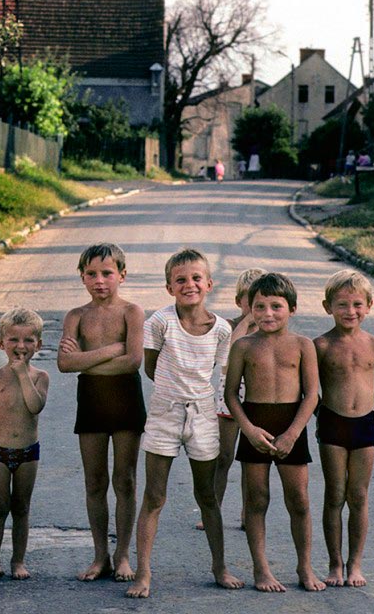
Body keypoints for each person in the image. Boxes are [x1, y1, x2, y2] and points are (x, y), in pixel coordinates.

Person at [126, 248, 244, 598]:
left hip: (203, 414)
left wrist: (193, 399)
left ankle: (219, 566)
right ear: (169, 287)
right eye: (180, 280)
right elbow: (150, 367)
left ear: (209, 283)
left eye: (196, 278)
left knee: (207, 495)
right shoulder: (160, 322)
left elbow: (215, 373)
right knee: (154, 495)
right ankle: (143, 573)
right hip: (165, 412)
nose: (189, 285)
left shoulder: (222, 329)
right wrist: (172, 393)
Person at [225, 272, 325, 593]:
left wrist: (293, 433)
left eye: (276, 307)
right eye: (260, 307)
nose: (268, 314)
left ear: (292, 309)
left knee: (299, 500)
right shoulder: (242, 346)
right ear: (250, 309)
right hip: (255, 424)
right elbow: (230, 394)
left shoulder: (303, 345)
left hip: (290, 425)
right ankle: (261, 569)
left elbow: (311, 395)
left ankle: (304, 567)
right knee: (256, 500)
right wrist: (249, 430)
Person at [58, 243, 146, 582]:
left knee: (124, 479)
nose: (100, 281)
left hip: (125, 398)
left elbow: (133, 362)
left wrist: (87, 360)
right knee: (94, 480)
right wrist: (112, 350)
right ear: (82, 277)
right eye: (92, 274)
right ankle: (100, 556)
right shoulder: (76, 316)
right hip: (91, 399)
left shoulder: (131, 312)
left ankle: (123, 555)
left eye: (107, 273)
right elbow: (65, 363)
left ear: (121, 275)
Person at [314, 270, 374, 588]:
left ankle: (356, 564)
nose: (350, 311)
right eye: (342, 304)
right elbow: (308, 387)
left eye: (357, 304)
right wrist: (323, 413)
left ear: (369, 306)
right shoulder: (321, 346)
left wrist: (364, 408)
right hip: (332, 422)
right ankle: (335, 564)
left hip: (364, 424)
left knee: (358, 495)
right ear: (327, 306)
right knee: (335, 494)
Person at [0, 308, 49, 581]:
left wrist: (22, 374)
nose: (21, 346)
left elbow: (35, 406)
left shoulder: (40, 377)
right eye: (14, 340)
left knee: (22, 508)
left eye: (29, 340)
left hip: (28, 453)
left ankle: (18, 560)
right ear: (1, 343)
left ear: (38, 345)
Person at [196, 267, 266, 531]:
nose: (257, 307)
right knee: (223, 456)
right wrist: (247, 322)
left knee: (251, 460)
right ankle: (211, 511)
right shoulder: (229, 326)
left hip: (259, 399)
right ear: (240, 301)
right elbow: (228, 359)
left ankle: (249, 514)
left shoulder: (270, 328)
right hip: (230, 396)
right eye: (251, 300)